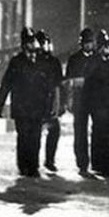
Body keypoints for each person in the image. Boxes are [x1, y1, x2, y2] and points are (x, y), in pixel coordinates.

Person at [0, 28, 49, 177]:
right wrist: (0, 103)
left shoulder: (41, 61)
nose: (33, 45)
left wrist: (48, 104)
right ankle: (24, 165)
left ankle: (33, 166)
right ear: (24, 44)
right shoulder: (16, 62)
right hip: (22, 107)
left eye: (34, 42)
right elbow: (6, 83)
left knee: (36, 137)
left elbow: (47, 85)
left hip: (37, 106)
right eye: (30, 42)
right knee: (24, 136)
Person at [82, 29, 109, 177]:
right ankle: (98, 164)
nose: (107, 48)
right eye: (104, 46)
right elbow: (88, 85)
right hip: (98, 106)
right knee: (99, 135)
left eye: (108, 45)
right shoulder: (93, 63)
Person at [65, 28, 96, 175]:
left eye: (91, 42)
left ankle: (96, 162)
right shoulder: (74, 59)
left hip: (96, 100)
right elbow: (69, 82)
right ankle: (82, 163)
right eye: (86, 43)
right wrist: (69, 101)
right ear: (81, 44)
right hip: (80, 101)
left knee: (97, 132)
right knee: (80, 133)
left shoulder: (97, 58)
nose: (89, 45)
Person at [35, 30, 64, 173]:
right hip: (37, 102)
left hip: (50, 100)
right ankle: (36, 161)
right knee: (35, 134)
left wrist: (61, 103)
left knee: (54, 131)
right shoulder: (33, 61)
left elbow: (60, 83)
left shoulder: (54, 61)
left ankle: (49, 160)